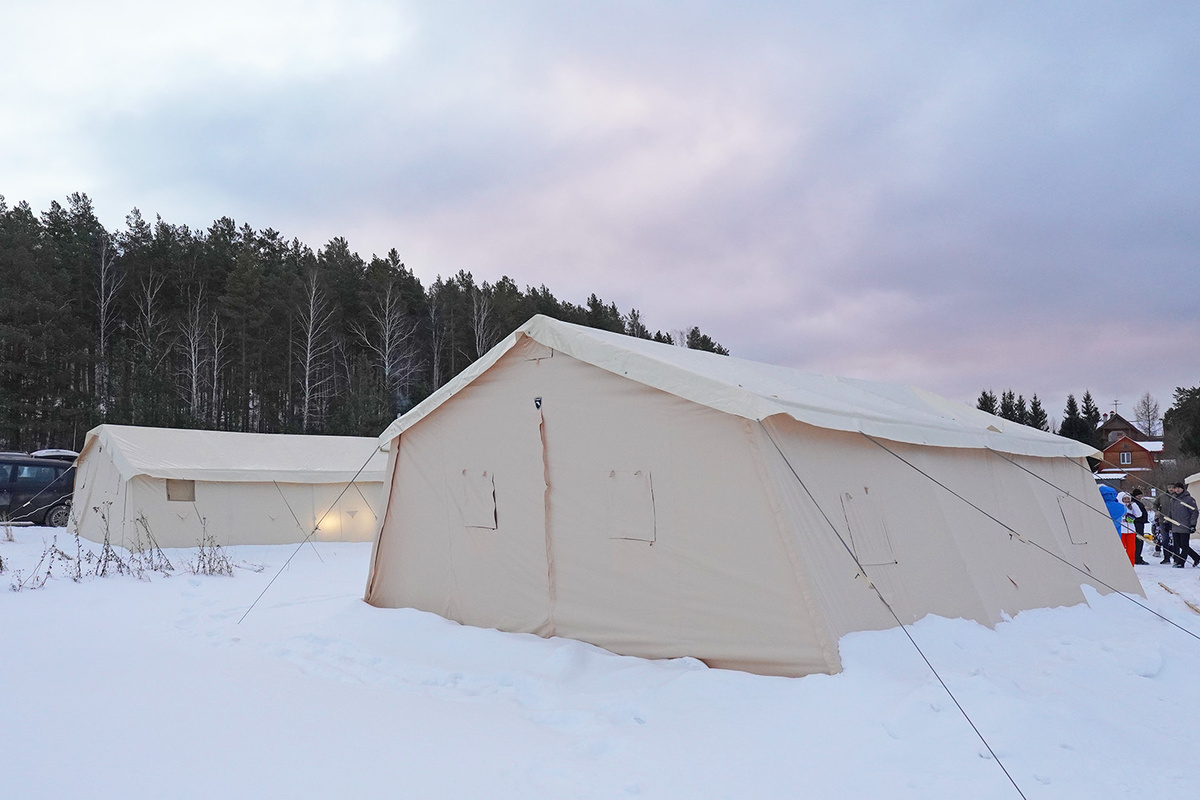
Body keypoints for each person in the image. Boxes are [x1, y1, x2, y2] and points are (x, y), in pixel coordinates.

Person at [1162, 481, 1199, 568]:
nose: (1177, 490)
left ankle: (1181, 562)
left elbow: (1194, 512)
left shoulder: (1189, 499)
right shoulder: (1173, 499)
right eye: (1176, 488)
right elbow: (1170, 512)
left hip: (1185, 525)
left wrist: (1193, 525)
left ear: (1183, 489)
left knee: (1184, 544)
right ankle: (1196, 557)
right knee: (1178, 544)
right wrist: (1167, 522)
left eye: (1179, 488)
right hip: (1175, 525)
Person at [1117, 491, 1138, 566]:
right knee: (1121, 548)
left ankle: (1131, 565)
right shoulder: (1119, 507)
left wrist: (1134, 505)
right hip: (1121, 530)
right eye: (1125, 499)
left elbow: (1139, 514)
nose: (1127, 500)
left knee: (1131, 549)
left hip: (1131, 530)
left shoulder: (1131, 507)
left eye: (1128, 498)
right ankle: (1121, 564)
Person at [1130, 488, 1149, 565]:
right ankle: (1137, 557)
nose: (1140, 497)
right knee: (1138, 540)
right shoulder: (1134, 503)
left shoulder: (1136, 502)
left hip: (1140, 523)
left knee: (1138, 541)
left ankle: (1137, 556)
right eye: (1139, 495)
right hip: (1138, 523)